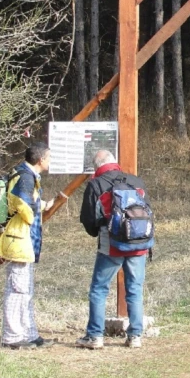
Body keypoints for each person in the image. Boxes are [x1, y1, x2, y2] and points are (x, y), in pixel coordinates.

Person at [77, 150, 149, 350]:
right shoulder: (136, 182)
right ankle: (135, 336)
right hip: (138, 244)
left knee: (99, 289)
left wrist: (97, 232)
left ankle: (95, 336)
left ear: (97, 166)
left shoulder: (96, 185)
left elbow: (88, 219)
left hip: (112, 245)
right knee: (134, 289)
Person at [0, 142, 57, 349]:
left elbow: (28, 201)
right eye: (49, 157)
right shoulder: (26, 177)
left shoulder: (24, 174)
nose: (50, 160)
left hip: (22, 240)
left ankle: (30, 334)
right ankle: (12, 337)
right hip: (18, 238)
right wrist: (33, 214)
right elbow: (20, 202)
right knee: (17, 289)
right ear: (41, 160)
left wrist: (39, 205)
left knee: (25, 289)